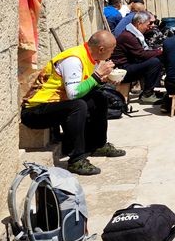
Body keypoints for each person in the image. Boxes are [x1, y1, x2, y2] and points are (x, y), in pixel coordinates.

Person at [20, 30, 126, 176]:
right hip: (35, 110)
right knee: (78, 106)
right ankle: (76, 159)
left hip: (56, 103)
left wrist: (103, 80)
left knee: (99, 98)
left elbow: (84, 86)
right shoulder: (74, 60)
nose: (112, 53)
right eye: (111, 50)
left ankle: (97, 144)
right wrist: (96, 76)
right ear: (101, 49)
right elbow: (73, 93)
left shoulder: (91, 58)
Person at [111, 11, 164, 104]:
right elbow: (141, 54)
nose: (150, 26)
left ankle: (154, 91)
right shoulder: (128, 36)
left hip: (129, 65)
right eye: (149, 23)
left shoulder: (134, 33)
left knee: (156, 60)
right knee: (154, 62)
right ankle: (147, 94)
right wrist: (160, 51)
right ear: (139, 23)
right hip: (123, 69)